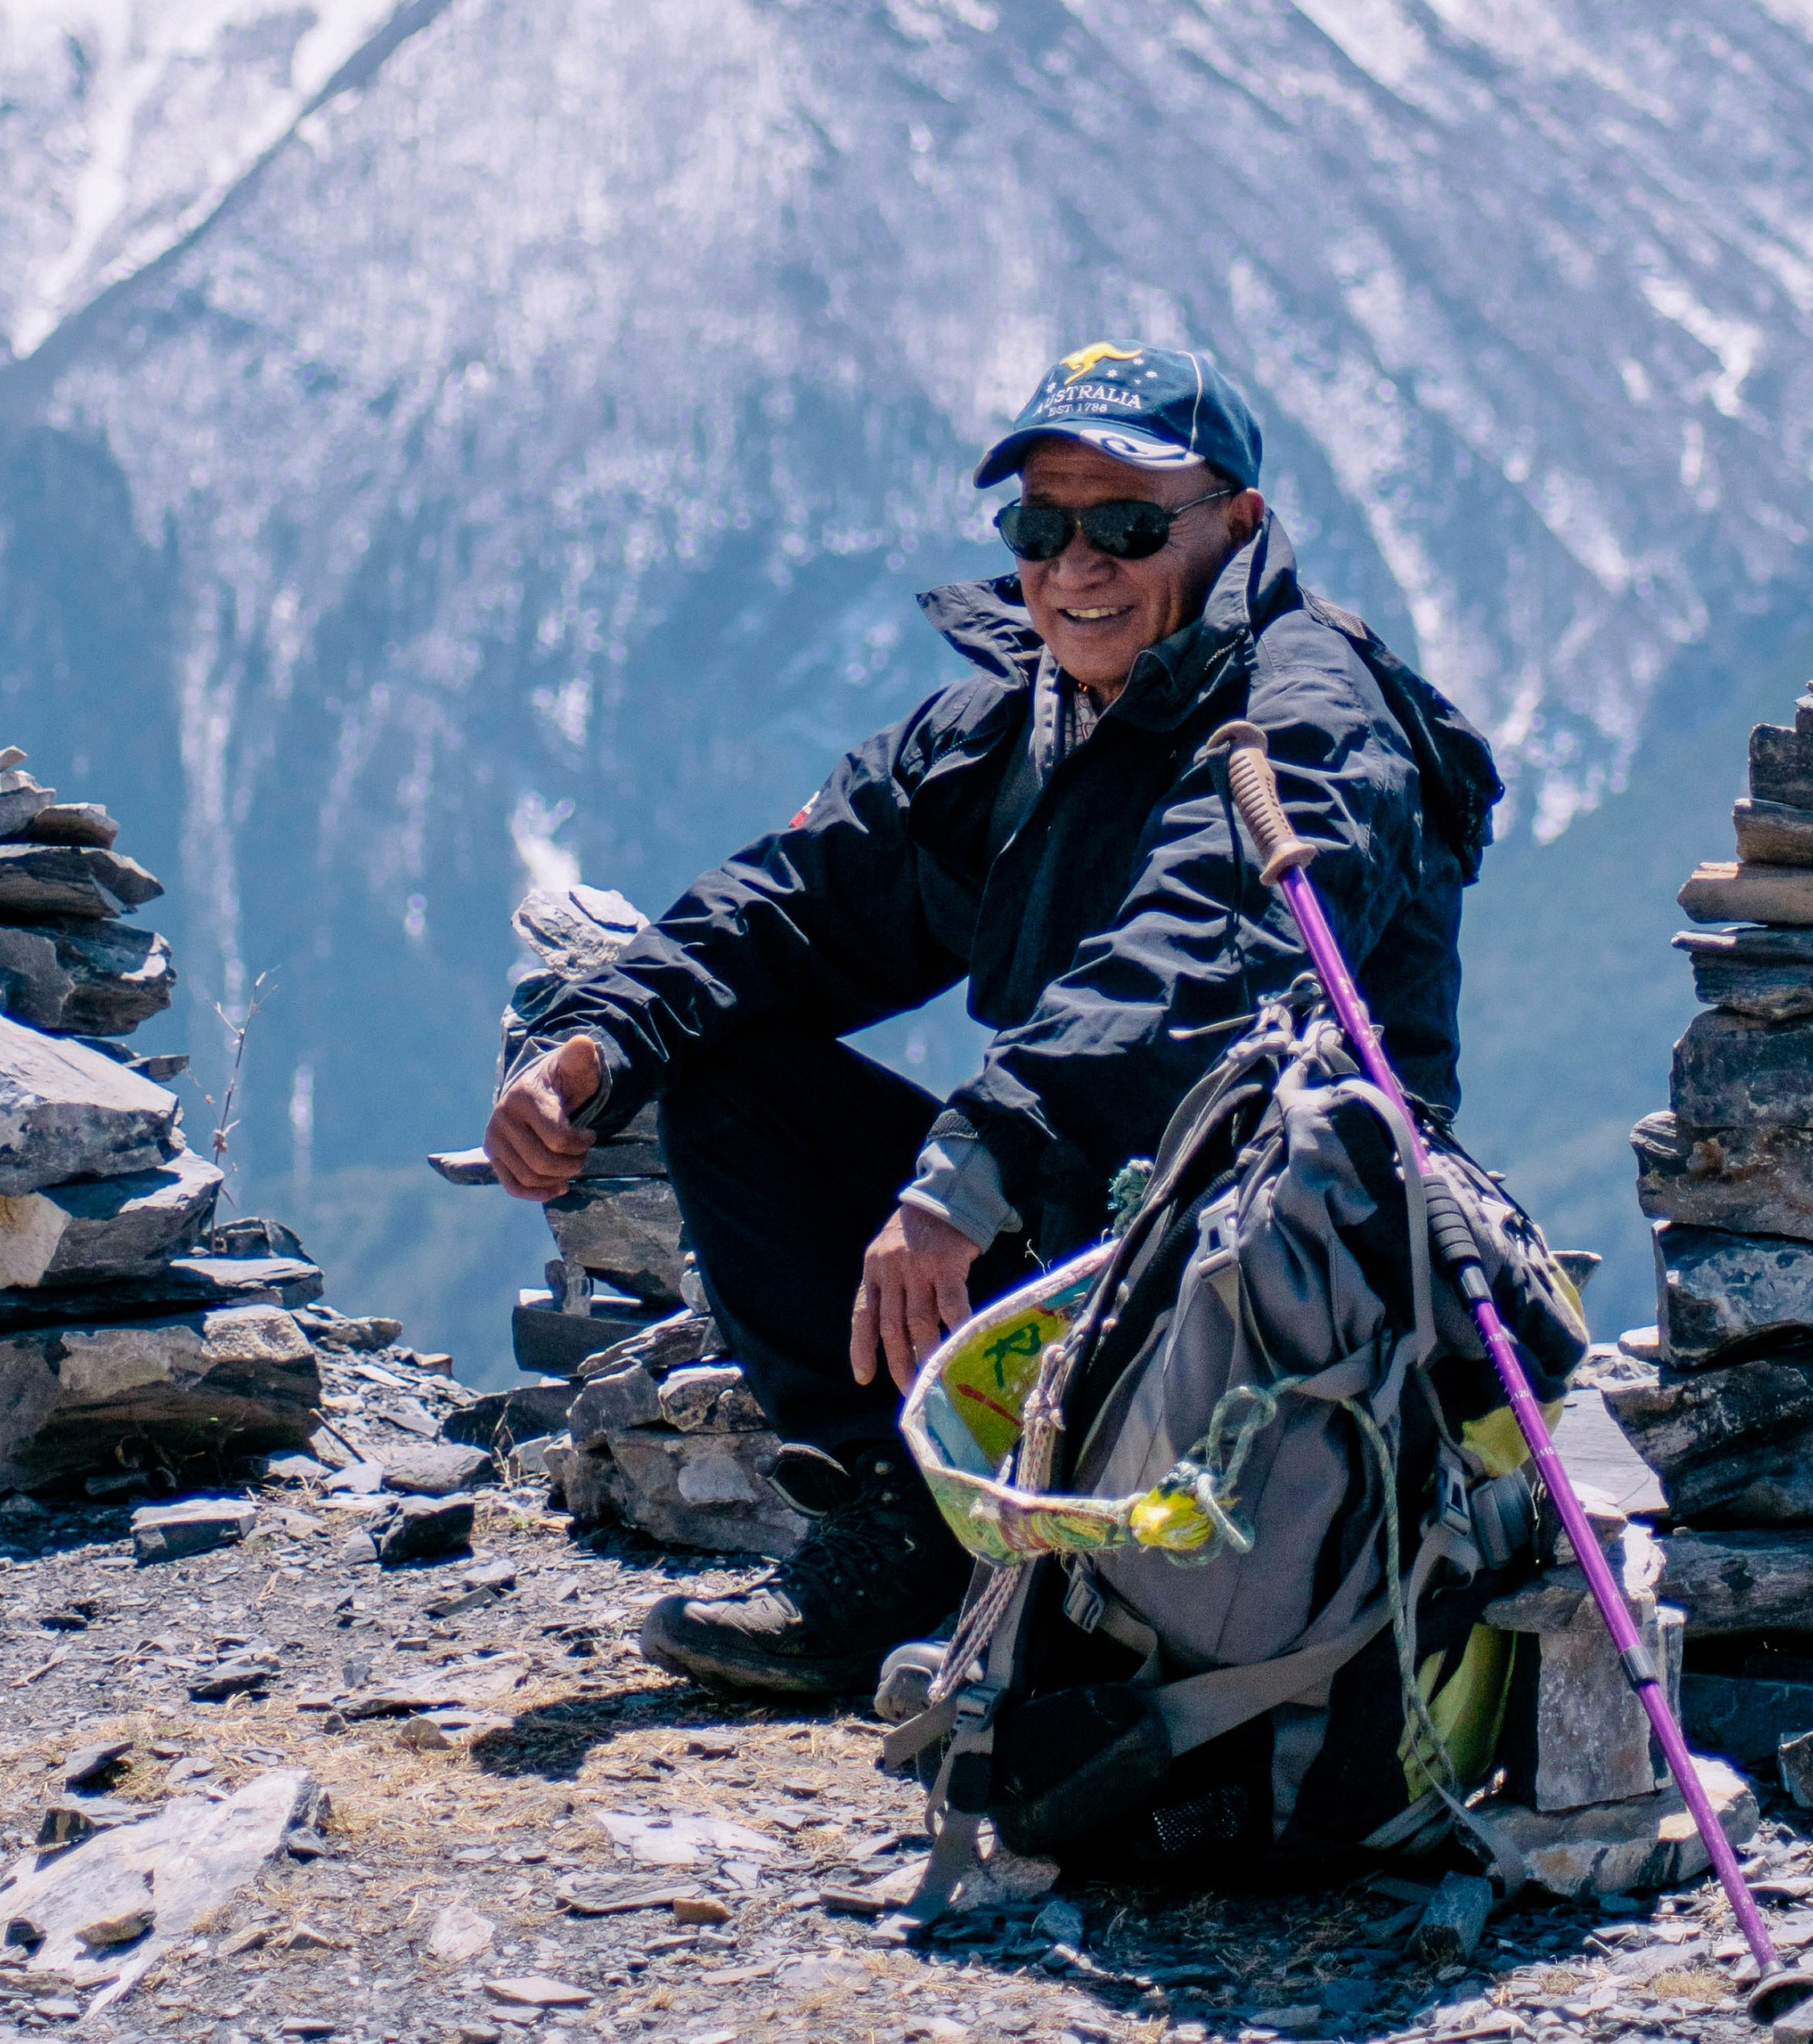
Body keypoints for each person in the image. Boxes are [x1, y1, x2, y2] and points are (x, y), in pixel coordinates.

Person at [483, 342, 1501, 1698]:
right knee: (730, 1069)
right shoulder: (1016, 729)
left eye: (1126, 525)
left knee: (1144, 1178)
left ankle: (1100, 1593)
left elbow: (1198, 961)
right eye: (1040, 527)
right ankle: (905, 1533)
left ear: (1238, 524)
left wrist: (973, 1166)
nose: (1075, 565)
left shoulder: (1306, 716)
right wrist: (602, 1042)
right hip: (1089, 1204)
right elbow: (792, 901)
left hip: (1281, 1253)